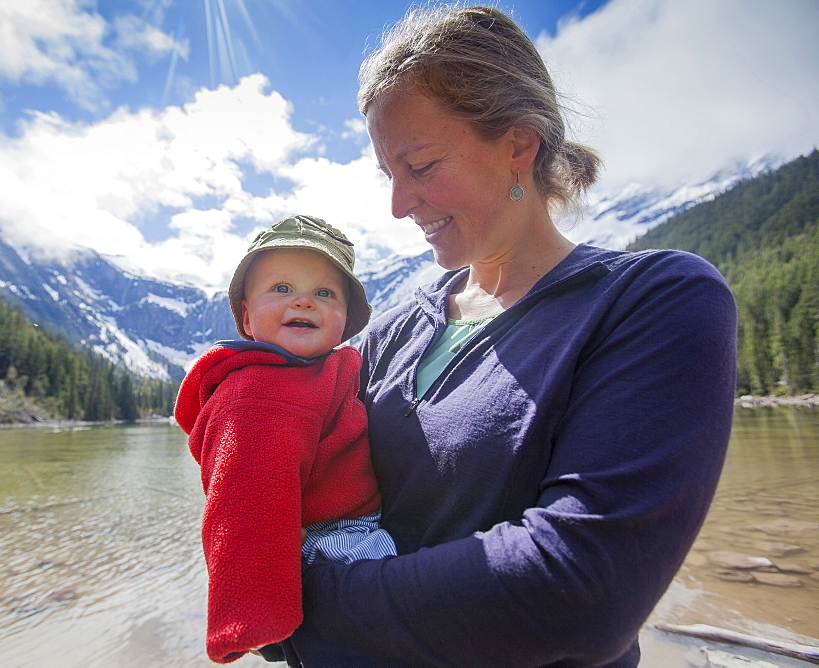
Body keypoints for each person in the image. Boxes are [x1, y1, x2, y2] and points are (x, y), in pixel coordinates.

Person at [269, 5, 738, 666]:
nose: (398, 205)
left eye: (422, 166)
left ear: (519, 144)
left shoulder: (654, 300)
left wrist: (298, 604)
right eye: (389, 175)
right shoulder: (398, 327)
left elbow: (580, 588)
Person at [174, 214, 396, 664]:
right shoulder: (260, 395)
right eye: (281, 289)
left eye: (324, 293)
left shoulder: (318, 371)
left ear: (346, 320)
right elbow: (245, 503)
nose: (303, 302)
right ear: (245, 316)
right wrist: (253, 619)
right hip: (335, 544)